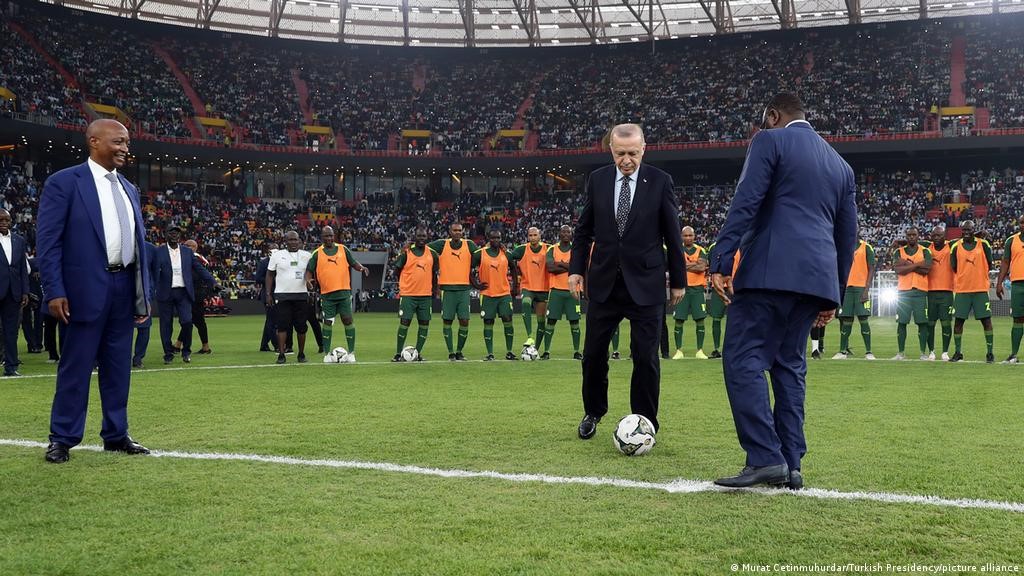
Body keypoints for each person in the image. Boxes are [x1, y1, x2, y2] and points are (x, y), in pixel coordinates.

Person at [710, 94, 857, 489]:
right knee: (790, 368)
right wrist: (834, 294)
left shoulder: (768, 140)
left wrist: (722, 259)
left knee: (742, 359)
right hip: (815, 282)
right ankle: (791, 464)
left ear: (772, 115)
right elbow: (848, 238)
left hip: (768, 274)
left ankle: (764, 457)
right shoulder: (842, 166)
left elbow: (746, 200)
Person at [37, 119, 154, 464]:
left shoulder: (129, 188)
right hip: (82, 291)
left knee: (119, 367)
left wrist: (141, 294)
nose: (124, 148)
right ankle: (62, 437)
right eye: (118, 142)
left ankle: (116, 434)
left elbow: (139, 246)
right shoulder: (64, 183)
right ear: (93, 141)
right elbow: (48, 243)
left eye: (127, 143)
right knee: (75, 367)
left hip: (123, 289)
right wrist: (54, 290)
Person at [569, 123, 685, 440]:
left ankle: (644, 421)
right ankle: (593, 411)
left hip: (645, 285)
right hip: (604, 283)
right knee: (593, 354)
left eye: (633, 153)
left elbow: (673, 236)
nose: (627, 160)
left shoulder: (661, 182)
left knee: (646, 357)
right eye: (620, 154)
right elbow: (583, 231)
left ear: (643, 149)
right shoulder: (598, 180)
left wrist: (678, 280)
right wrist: (575, 269)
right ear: (611, 150)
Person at [153, 224, 217, 365]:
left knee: (187, 322)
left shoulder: (187, 252)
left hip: (183, 292)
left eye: (177, 233)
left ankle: (186, 351)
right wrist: (152, 287)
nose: (174, 235)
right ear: (166, 235)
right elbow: (152, 271)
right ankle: (168, 353)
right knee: (165, 324)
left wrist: (213, 281)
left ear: (180, 236)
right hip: (166, 292)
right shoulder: (159, 252)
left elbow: (199, 268)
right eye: (171, 233)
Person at [305, 226, 369, 363]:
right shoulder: (317, 253)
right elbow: (309, 270)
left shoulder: (343, 249)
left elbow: (353, 263)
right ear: (321, 238)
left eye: (331, 236)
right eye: (326, 236)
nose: (329, 238)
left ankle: (351, 353)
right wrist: (308, 280)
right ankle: (327, 354)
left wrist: (361, 267)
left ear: (334, 236)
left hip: (344, 293)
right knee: (328, 322)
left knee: (347, 320)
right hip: (327, 295)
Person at [427, 223, 479, 361]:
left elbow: (482, 255)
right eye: (454, 230)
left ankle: (459, 351)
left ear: (463, 232)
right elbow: (424, 247)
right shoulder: (441, 244)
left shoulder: (469, 245)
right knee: (448, 321)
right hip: (448, 289)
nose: (457, 232)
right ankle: (451, 352)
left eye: (459, 230)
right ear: (450, 231)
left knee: (464, 321)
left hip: (464, 289)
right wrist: (410, 246)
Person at [949, 220, 994, 363]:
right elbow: (954, 267)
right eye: (964, 230)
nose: (966, 232)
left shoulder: (984, 244)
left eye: (969, 229)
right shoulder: (956, 246)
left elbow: (990, 263)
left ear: (974, 229)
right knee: (958, 323)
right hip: (962, 290)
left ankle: (990, 353)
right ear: (961, 231)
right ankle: (957, 352)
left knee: (986, 321)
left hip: (980, 289)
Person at [266, 231, 313, 364]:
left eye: (295, 240)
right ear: (285, 241)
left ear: (299, 241)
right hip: (283, 296)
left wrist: (311, 288)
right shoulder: (277, 255)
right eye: (290, 240)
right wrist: (268, 294)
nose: (293, 242)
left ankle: (301, 354)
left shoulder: (307, 256)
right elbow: (269, 275)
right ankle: (281, 354)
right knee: (282, 326)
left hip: (301, 296)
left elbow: (311, 273)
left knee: (301, 327)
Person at [393, 227, 438, 362]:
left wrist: (434, 291)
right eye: (419, 236)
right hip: (408, 295)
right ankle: (397, 354)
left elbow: (434, 274)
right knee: (405, 322)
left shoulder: (432, 254)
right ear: (415, 237)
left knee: (424, 324)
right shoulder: (407, 252)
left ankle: (417, 353)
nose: (421, 239)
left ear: (427, 238)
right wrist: (404, 283)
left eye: (424, 236)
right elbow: (397, 269)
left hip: (425, 295)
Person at [471, 229, 517, 360]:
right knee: (488, 321)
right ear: (488, 239)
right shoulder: (480, 254)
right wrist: (476, 285)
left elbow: (513, 268)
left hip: (504, 293)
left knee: (508, 320)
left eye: (498, 238)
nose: (496, 240)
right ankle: (490, 353)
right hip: (487, 294)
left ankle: (509, 351)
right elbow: (469, 270)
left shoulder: (506, 254)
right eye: (493, 238)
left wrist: (515, 286)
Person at [891, 228, 932, 360]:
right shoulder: (898, 252)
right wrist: (917, 265)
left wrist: (907, 264)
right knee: (902, 323)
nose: (911, 237)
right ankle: (901, 352)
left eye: (914, 235)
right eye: (909, 235)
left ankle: (923, 353)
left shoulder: (925, 251)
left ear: (918, 236)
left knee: (922, 323)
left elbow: (927, 270)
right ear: (906, 236)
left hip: (920, 291)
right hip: (903, 292)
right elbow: (898, 270)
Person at [543, 225, 583, 360]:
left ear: (571, 234)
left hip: (573, 291)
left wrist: (559, 264)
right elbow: (550, 268)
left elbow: (578, 266)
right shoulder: (552, 249)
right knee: (551, 321)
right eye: (563, 232)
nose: (566, 234)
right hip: (555, 291)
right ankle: (546, 351)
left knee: (575, 322)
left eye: (568, 231)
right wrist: (569, 266)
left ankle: (577, 351)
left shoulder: (576, 249)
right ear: (559, 234)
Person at [833, 235, 875, 360]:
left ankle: (868, 352)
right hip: (846, 289)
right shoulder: (843, 248)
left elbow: (871, 268)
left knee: (863, 319)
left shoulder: (866, 247)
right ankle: (842, 351)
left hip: (861, 288)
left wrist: (866, 290)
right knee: (846, 320)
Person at [0, 208, 31, 376]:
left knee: (11, 331)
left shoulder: (19, 240)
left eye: (7, 220)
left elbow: (21, 270)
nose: (4, 223)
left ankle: (11, 367)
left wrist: (25, 292)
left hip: (14, 293)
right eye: (1, 220)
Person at [672, 226, 709, 360]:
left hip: (697, 289)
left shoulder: (701, 250)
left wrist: (685, 265)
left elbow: (702, 267)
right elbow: (676, 266)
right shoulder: (678, 249)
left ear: (694, 236)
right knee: (679, 320)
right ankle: (678, 350)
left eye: (690, 235)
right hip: (682, 289)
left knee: (700, 319)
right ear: (681, 236)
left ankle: (700, 350)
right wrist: (694, 264)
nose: (688, 238)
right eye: (685, 236)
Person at [509, 226, 549, 349]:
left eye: (535, 235)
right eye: (530, 235)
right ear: (527, 236)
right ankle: (530, 336)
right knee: (525, 303)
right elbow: (508, 258)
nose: (532, 237)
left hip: (543, 288)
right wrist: (516, 274)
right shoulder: (521, 249)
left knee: (541, 322)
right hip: (528, 286)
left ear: (540, 235)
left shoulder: (548, 248)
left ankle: (535, 348)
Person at [175, 239, 214, 355]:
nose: (184, 247)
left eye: (187, 245)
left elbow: (195, 277)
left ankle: (204, 347)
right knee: (190, 320)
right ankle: (178, 344)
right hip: (196, 293)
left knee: (195, 320)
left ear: (193, 247)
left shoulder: (195, 259)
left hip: (195, 294)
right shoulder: (200, 259)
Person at [995, 214, 1024, 363]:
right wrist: (999, 283)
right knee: (1018, 319)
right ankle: (1013, 354)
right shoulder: (1011, 240)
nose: (1023, 225)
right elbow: (1005, 263)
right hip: (1018, 284)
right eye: (1021, 222)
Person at [705, 243, 740, 359]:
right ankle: (716, 348)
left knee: (738, 319)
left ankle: (736, 348)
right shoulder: (714, 247)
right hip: (718, 287)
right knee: (716, 318)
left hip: (738, 287)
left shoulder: (744, 243)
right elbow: (711, 266)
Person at [924, 226, 954, 360]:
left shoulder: (951, 246)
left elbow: (964, 238)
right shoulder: (926, 248)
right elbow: (912, 241)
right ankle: (931, 351)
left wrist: (979, 234)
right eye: (934, 235)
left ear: (944, 236)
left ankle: (945, 352)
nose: (936, 238)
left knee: (946, 323)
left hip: (947, 292)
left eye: (939, 235)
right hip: (929, 292)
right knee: (930, 323)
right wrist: (900, 242)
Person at [132, 241, 159, 369]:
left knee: (144, 328)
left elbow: (155, 272)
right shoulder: (119, 245)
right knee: (117, 329)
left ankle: (138, 358)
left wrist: (151, 292)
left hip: (143, 294)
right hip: (121, 294)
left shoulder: (151, 249)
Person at [255, 242, 278, 352]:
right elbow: (258, 278)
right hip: (268, 295)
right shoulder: (264, 262)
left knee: (270, 321)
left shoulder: (280, 262)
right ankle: (277, 344)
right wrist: (270, 279)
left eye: (276, 247)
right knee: (272, 321)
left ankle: (264, 345)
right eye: (272, 247)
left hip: (277, 294)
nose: (274, 249)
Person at [23, 257, 44, 355]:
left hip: (33, 291)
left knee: (36, 320)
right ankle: (34, 344)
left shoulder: (32, 261)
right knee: (28, 320)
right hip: (25, 291)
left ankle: (35, 344)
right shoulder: (30, 261)